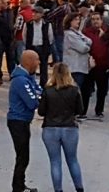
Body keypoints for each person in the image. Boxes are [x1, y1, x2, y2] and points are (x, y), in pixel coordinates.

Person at [38, 62, 85, 192]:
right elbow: (80, 110)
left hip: (50, 128)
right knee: (73, 160)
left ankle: (58, 190)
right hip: (69, 127)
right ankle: (79, 188)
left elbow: (41, 111)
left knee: (55, 162)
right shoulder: (74, 90)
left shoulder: (47, 90)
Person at [7, 50, 43, 192]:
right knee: (23, 157)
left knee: (23, 156)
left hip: (23, 121)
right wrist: (38, 97)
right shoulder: (21, 81)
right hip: (18, 122)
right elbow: (33, 102)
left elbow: (40, 91)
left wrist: (38, 95)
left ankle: (20, 185)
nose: (39, 63)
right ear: (29, 62)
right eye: (37, 60)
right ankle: (18, 187)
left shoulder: (28, 77)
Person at [82, 11, 109, 118]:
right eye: (93, 19)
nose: (95, 21)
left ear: (101, 21)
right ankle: (83, 110)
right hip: (90, 66)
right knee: (86, 89)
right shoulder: (85, 32)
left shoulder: (107, 32)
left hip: (104, 66)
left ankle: (99, 110)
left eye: (97, 19)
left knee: (102, 90)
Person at [62, 13, 92, 89]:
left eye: (79, 19)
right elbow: (83, 48)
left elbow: (90, 41)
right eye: (75, 19)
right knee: (76, 90)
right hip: (74, 68)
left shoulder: (78, 32)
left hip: (82, 67)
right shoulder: (69, 34)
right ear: (69, 21)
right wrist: (88, 46)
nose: (78, 21)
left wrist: (86, 44)